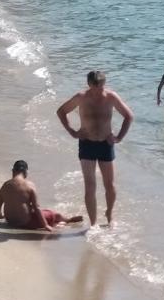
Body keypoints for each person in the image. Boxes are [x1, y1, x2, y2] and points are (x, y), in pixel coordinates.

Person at [56, 70, 134, 226]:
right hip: (87, 144)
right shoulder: (81, 97)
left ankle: (109, 214)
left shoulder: (111, 97)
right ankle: (93, 224)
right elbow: (61, 111)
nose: (99, 91)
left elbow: (129, 116)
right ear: (89, 84)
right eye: (95, 87)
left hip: (106, 144)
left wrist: (118, 137)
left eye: (101, 87)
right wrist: (72, 132)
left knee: (109, 185)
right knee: (90, 186)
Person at [0, 160, 81, 231]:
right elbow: (36, 208)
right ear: (26, 172)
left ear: (13, 171)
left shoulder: (5, 185)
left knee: (36, 210)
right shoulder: (29, 185)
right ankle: (68, 220)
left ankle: (58, 223)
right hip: (25, 223)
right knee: (54, 214)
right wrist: (45, 225)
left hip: (10, 222)